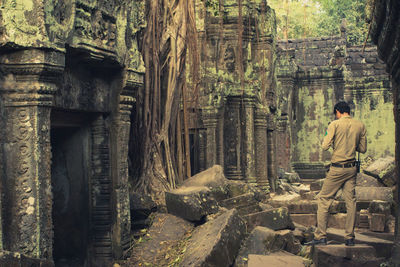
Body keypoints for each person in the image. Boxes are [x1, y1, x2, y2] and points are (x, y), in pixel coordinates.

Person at [306, 101, 367, 246]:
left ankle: (321, 236)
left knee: (323, 199)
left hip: (337, 168)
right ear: (348, 111)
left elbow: (325, 146)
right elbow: (363, 149)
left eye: (336, 114)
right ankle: (349, 238)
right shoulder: (360, 125)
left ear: (338, 112)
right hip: (351, 168)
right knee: (350, 201)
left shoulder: (334, 124)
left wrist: (334, 140)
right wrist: (351, 144)